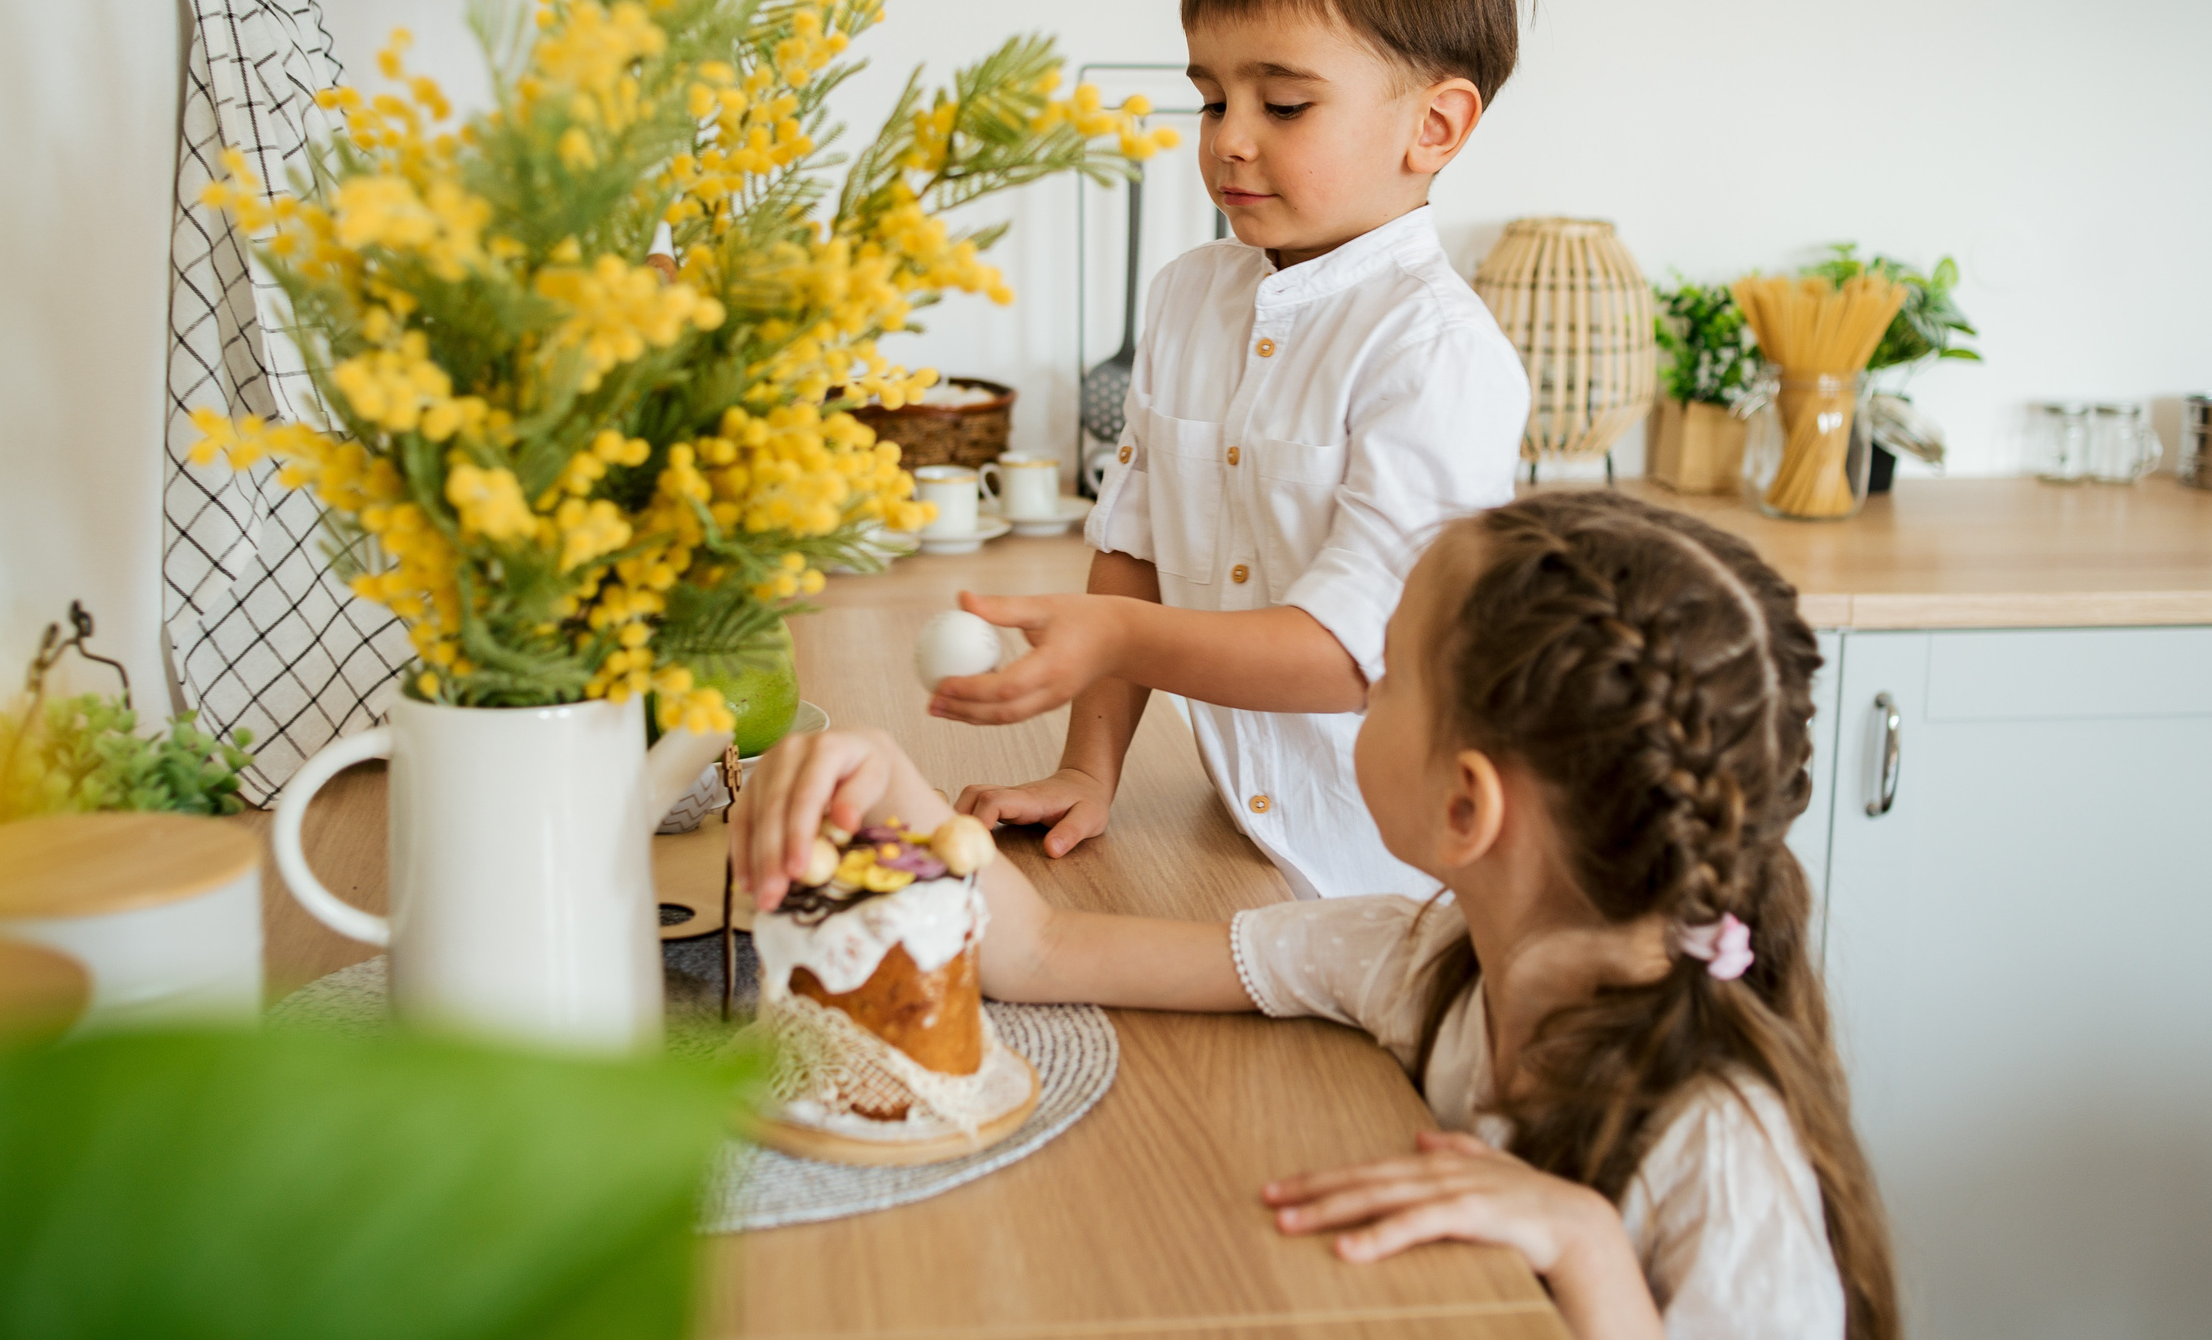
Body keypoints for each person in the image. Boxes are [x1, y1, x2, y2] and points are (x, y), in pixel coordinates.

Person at [736, 493, 1898, 1340]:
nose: (1358, 696)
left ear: (1465, 802)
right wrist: (897, 785)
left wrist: (1588, 1248)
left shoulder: (1720, 1150)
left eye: (1385, 676)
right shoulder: (1418, 957)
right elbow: (1043, 948)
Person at [930, 0, 1533, 900]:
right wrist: (1088, 765)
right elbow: (1134, 547)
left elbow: (1351, 655)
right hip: (1238, 844)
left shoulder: (1436, 354)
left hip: (1387, 875)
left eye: (1284, 102)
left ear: (1432, 126)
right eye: (1210, 97)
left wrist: (1112, 638)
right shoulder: (1187, 298)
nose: (1226, 138)